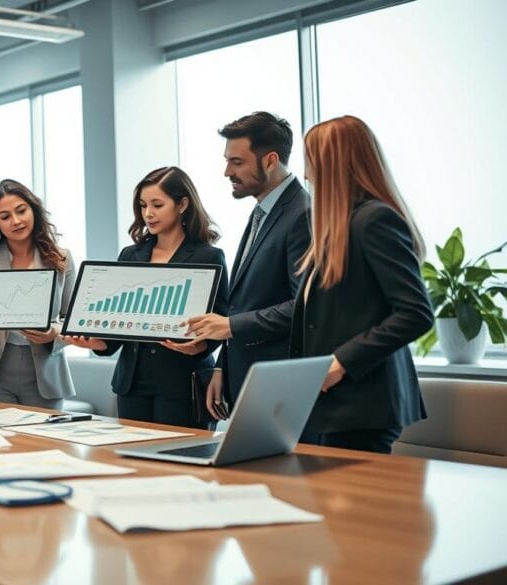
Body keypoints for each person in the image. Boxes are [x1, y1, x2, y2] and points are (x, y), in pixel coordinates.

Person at [290, 115, 433, 453]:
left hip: (363, 405)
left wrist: (340, 363)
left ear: (333, 165)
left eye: (311, 162)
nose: (307, 173)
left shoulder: (374, 221)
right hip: (333, 406)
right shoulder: (337, 231)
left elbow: (416, 313)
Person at [64, 167, 228, 428]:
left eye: (157, 205)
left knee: (181, 462)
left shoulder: (207, 256)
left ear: (183, 204)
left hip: (182, 381)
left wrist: (200, 346)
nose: (148, 213)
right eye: (143, 206)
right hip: (132, 384)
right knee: (135, 460)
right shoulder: (130, 255)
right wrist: (93, 342)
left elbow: (221, 321)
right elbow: (116, 329)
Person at [180, 112, 311, 420]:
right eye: (227, 161)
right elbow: (242, 304)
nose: (227, 171)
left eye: (237, 162)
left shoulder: (301, 215)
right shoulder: (262, 213)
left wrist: (230, 327)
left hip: (279, 383)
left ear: (270, 161)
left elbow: (304, 306)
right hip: (248, 377)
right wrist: (221, 365)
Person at [0, 179, 77, 410]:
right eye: (5, 216)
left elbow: (71, 319)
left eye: (21, 211)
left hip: (45, 371)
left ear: (34, 210)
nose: (16, 221)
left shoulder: (61, 258)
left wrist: (53, 334)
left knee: (45, 443)